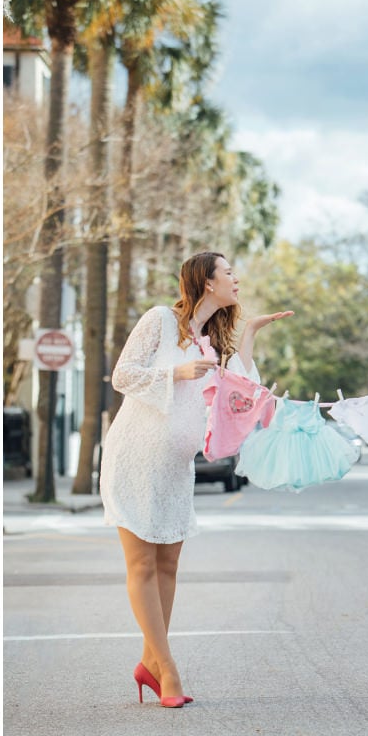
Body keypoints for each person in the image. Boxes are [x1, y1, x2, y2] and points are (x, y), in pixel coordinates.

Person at [99, 251, 291, 707]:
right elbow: (122, 375)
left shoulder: (211, 341)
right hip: (135, 457)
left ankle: (149, 661)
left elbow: (245, 389)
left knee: (168, 567)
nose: (236, 278)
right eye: (228, 272)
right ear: (206, 282)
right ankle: (168, 671)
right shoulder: (160, 320)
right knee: (143, 566)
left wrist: (249, 334)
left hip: (175, 467)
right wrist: (176, 373)